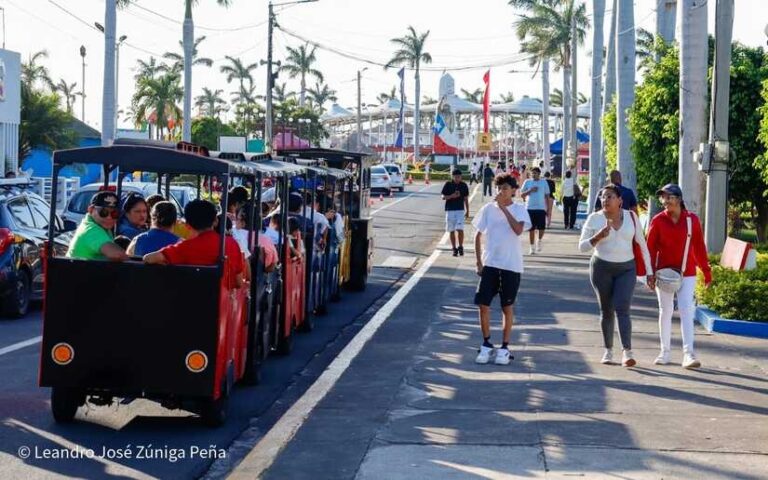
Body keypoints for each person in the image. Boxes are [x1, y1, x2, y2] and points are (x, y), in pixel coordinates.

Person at [579, 184, 654, 367]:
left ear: (620, 200)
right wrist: (597, 237)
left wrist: (650, 272)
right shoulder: (595, 218)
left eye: (610, 196)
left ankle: (627, 352)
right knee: (606, 310)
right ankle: (608, 350)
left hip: (626, 269)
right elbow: (582, 247)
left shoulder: (632, 217)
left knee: (622, 307)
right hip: (601, 268)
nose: (605, 200)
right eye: (603, 197)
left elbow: (642, 245)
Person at [647, 184, 712, 369]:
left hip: (687, 272)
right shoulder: (658, 220)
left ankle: (688, 354)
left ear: (679, 199)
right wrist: (649, 273)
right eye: (663, 197)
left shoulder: (692, 220)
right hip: (664, 274)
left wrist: (706, 271)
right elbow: (650, 248)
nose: (665, 201)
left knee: (686, 310)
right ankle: (665, 352)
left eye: (669, 197)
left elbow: (699, 247)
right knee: (665, 310)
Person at [473, 173, 531, 365]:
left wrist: (504, 209)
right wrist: (478, 262)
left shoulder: (520, 209)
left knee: (507, 307)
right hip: (490, 263)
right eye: (498, 188)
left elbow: (518, 230)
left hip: (511, 265)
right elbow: (478, 235)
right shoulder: (488, 209)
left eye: (505, 188)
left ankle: (504, 348)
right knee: (483, 304)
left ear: (513, 190)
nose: (500, 191)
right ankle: (486, 343)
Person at [144, 199, 244, 288]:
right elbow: (239, 282)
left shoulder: (184, 248)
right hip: (223, 301)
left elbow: (148, 258)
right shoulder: (231, 244)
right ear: (215, 221)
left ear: (187, 225)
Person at [66, 191, 129, 261]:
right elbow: (118, 254)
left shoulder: (97, 225)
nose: (109, 217)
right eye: (103, 212)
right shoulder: (91, 230)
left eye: (114, 213)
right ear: (91, 210)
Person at [520, 167, 550, 255]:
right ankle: (532, 247)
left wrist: (548, 208)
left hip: (541, 208)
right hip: (530, 208)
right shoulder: (527, 182)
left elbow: (547, 196)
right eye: (532, 173)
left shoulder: (544, 182)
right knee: (531, 229)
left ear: (539, 174)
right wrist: (530, 190)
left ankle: (539, 241)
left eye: (535, 173)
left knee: (542, 228)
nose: (533, 175)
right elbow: (521, 195)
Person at [441, 168, 470, 257]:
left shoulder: (464, 185)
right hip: (450, 210)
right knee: (451, 230)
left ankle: (460, 246)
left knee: (460, 229)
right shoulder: (448, 184)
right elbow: (443, 196)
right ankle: (454, 248)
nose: (457, 178)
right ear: (452, 177)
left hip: (460, 210)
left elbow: (466, 198)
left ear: (461, 177)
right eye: (456, 177)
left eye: (459, 177)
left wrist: (467, 210)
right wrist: (451, 196)